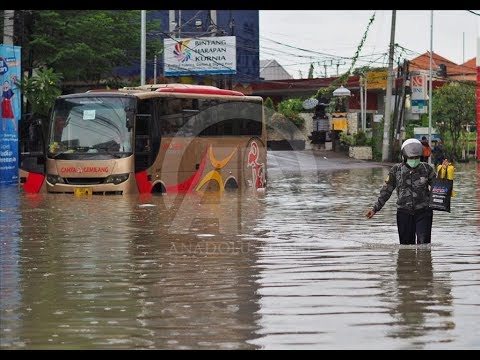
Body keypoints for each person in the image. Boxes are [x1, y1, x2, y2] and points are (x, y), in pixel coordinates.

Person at [365, 138, 436, 245]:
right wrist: (375, 209)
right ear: (404, 156)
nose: (414, 160)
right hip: (404, 213)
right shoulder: (396, 170)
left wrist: (444, 173)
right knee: (406, 247)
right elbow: (386, 191)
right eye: (411, 157)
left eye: (417, 157)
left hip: (424, 212)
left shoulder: (427, 169)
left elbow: (439, 188)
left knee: (424, 245)